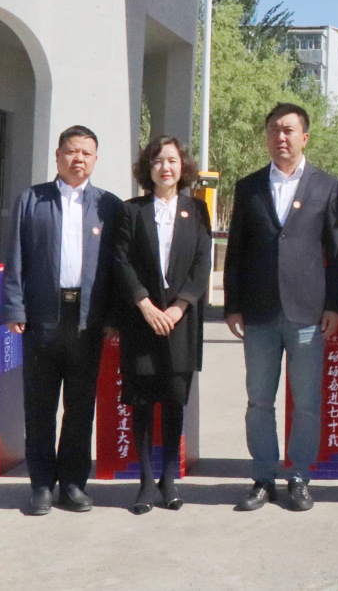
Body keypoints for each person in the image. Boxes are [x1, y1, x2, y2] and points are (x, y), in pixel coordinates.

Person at [223, 103, 338, 513]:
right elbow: (236, 251)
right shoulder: (249, 186)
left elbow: (336, 252)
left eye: (289, 130)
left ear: (304, 137)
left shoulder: (326, 185)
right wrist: (233, 305)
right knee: (259, 400)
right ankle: (263, 476)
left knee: (307, 402)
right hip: (259, 312)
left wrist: (334, 305)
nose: (281, 137)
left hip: (308, 312)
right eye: (274, 129)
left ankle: (299, 477)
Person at [0, 125, 122, 516]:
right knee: (39, 405)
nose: (78, 159)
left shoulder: (108, 206)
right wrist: (14, 308)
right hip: (41, 317)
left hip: (88, 319)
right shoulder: (32, 200)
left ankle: (72, 483)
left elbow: (118, 268)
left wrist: (113, 316)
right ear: (57, 156)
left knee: (80, 406)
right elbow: (15, 257)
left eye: (86, 153)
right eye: (71, 151)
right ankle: (41, 484)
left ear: (96, 160)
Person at [109, 135, 212, 515]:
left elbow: (202, 263)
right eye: (157, 161)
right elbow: (121, 261)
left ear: (182, 167)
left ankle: (169, 479)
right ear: (146, 168)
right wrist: (145, 305)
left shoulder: (196, 210)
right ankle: (146, 482)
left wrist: (180, 307)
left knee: (173, 401)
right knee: (141, 403)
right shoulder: (131, 210)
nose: (165, 167)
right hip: (142, 320)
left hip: (180, 321)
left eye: (171, 160)